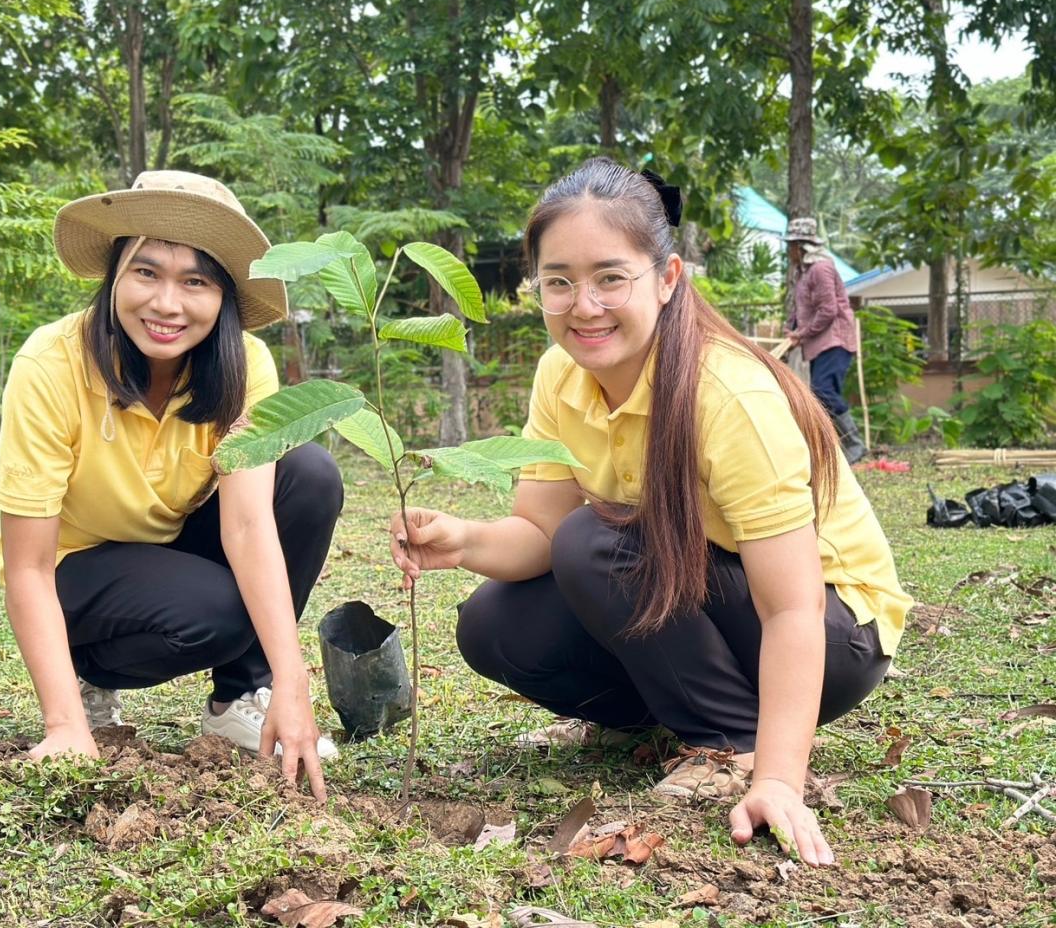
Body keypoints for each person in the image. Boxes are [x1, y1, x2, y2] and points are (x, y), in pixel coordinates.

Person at [389, 158, 911, 866]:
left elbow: (789, 609)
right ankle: (659, 725)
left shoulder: (725, 393)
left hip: (832, 634)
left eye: (611, 277)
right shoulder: (559, 374)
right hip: (711, 604)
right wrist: (463, 540)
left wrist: (780, 778)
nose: (584, 305)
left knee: (596, 543)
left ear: (667, 280)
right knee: (493, 625)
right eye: (558, 282)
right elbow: (540, 533)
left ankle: (730, 741)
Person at [0, 170, 342, 801]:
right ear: (114, 277)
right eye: (146, 272)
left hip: (171, 542)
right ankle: (87, 683)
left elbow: (246, 523)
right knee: (213, 611)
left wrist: (293, 683)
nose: (166, 304)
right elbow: (27, 565)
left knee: (309, 475)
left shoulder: (246, 367)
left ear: (225, 297)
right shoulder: (49, 364)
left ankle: (244, 694)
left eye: (196, 282)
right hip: (75, 573)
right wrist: (64, 724)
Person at [784, 218, 867, 464]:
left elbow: (828, 310)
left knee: (823, 393)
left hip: (834, 341)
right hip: (820, 344)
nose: (789, 252)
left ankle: (854, 444)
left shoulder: (821, 269)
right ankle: (833, 450)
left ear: (801, 246)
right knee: (820, 395)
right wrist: (792, 327)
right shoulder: (804, 272)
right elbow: (804, 307)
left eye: (791, 246)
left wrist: (802, 333)